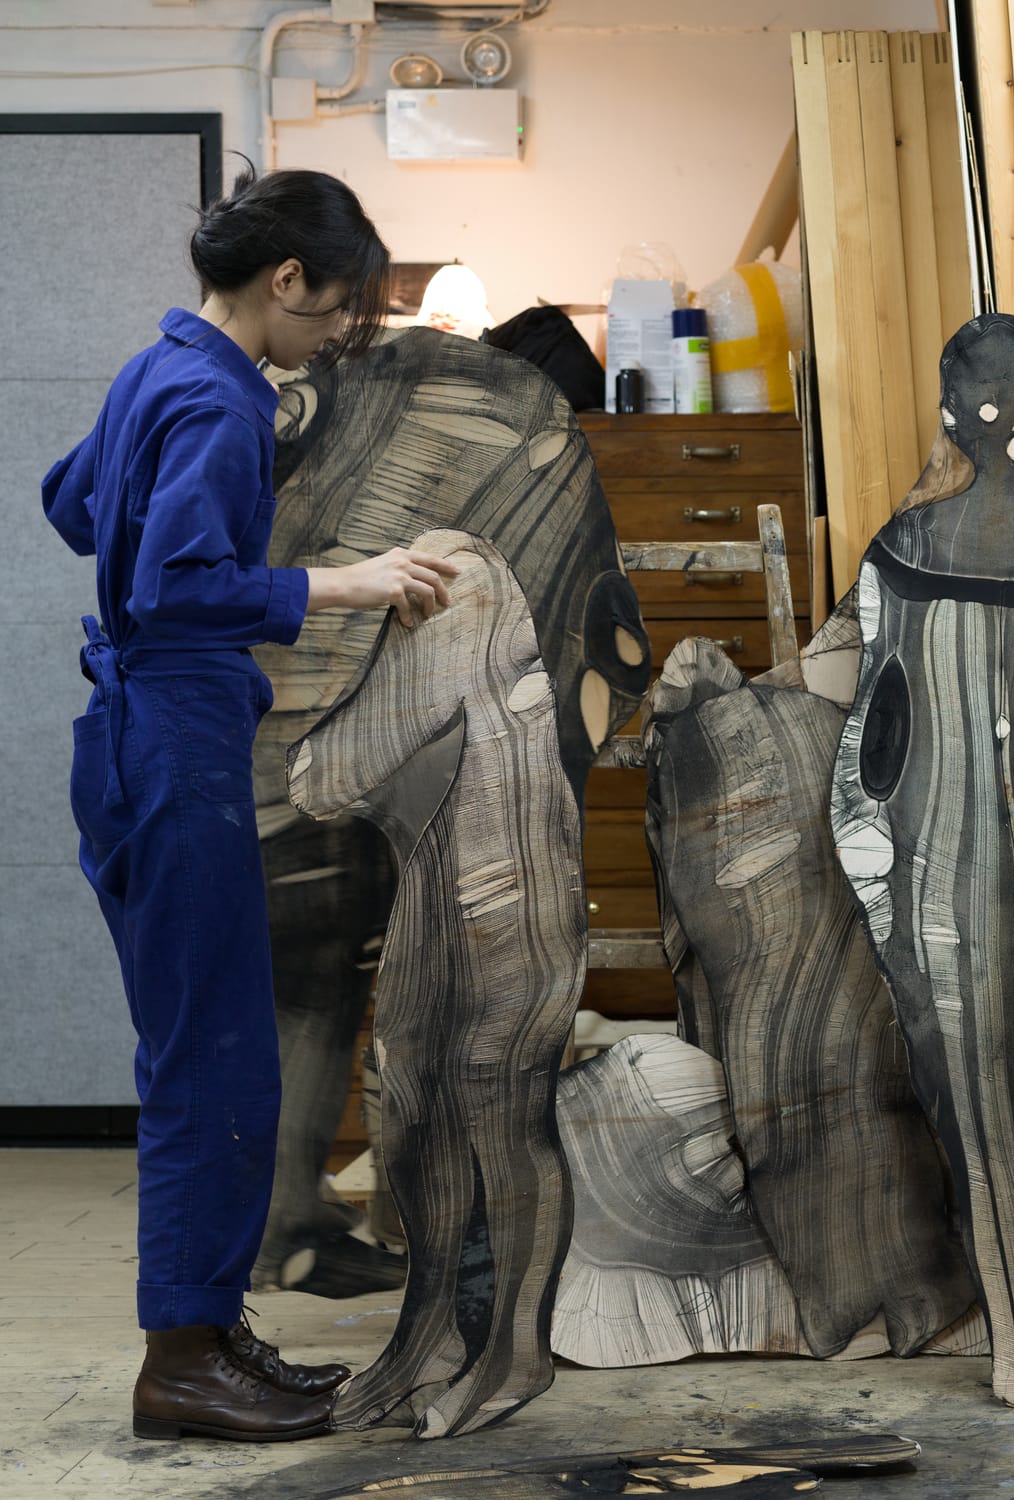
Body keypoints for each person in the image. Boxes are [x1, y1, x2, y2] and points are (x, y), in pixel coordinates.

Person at [41, 167, 460, 1443]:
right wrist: (351, 579)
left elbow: (70, 504)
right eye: (335, 309)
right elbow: (174, 592)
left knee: (202, 1047)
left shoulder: (155, 369)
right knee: (215, 1059)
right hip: (176, 741)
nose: (335, 336)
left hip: (131, 737)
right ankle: (183, 1359)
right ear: (287, 279)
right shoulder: (222, 398)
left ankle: (209, 1334)